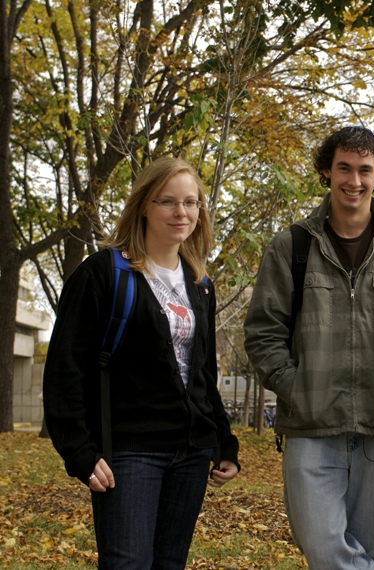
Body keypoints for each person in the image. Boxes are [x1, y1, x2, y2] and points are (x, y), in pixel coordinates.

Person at [43, 156, 240, 569]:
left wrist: (223, 442)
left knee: (170, 564)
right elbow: (65, 369)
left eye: (190, 203)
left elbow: (201, 370)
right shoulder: (104, 273)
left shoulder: (200, 283)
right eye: (167, 201)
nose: (181, 212)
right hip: (131, 454)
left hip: (190, 454)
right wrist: (79, 450)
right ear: (144, 206)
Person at [243, 126, 374, 570]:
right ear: (326, 170)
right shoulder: (292, 246)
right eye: (344, 168)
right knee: (321, 547)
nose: (353, 180)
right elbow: (263, 331)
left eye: (364, 170)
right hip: (310, 424)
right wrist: (295, 387)